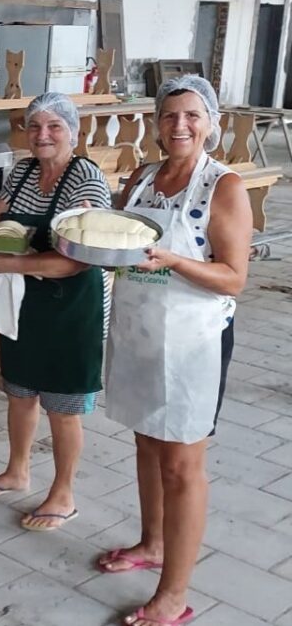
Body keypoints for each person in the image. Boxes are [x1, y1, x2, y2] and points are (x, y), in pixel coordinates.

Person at [99, 75, 251, 626]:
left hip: (193, 342)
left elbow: (234, 278)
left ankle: (174, 595)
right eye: (169, 116)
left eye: (192, 115)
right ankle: (152, 543)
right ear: (156, 123)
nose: (179, 125)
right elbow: (117, 244)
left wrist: (176, 261)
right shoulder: (142, 179)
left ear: (211, 122)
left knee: (183, 466)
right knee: (146, 442)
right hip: (140, 331)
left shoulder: (223, 186)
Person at [0, 92, 112, 531]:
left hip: (74, 306)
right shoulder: (24, 170)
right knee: (20, 391)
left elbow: (78, 260)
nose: (42, 135)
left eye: (54, 127)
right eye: (34, 126)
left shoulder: (87, 180)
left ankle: (64, 494)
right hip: (26, 302)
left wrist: (8, 261)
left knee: (63, 405)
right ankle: (17, 471)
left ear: (73, 132)